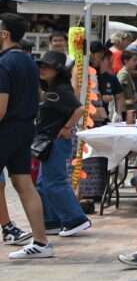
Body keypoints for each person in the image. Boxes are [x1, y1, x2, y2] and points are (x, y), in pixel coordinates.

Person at [22, 53, 88, 252]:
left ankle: (75, 219)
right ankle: (51, 220)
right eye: (41, 66)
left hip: (56, 141)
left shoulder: (60, 89)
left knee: (54, 182)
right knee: (43, 182)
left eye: (47, 67)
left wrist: (67, 128)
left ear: (58, 70)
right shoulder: (52, 88)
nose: (42, 69)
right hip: (49, 141)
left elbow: (79, 109)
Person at [0, 14, 52, 254]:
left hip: (6, 128)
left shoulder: (4, 64)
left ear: (5, 34)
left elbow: (0, 107)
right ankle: (41, 242)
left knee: (22, 183)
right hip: (25, 127)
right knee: (23, 183)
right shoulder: (29, 62)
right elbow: (39, 96)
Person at [87, 43, 124, 125]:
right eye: (108, 60)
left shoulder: (111, 77)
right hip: (88, 116)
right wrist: (101, 98)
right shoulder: (88, 74)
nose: (111, 63)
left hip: (103, 117)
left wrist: (118, 113)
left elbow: (119, 95)